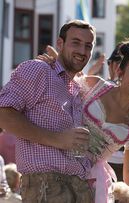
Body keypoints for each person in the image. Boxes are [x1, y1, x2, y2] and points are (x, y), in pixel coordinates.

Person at [41, 39, 129, 202]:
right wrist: (53, 65)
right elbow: (59, 92)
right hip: (56, 161)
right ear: (120, 72)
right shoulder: (94, 85)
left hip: (91, 183)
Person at [0, 19, 95, 202]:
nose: (82, 51)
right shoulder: (38, 69)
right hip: (46, 185)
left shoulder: (76, 87)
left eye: (88, 46)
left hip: (79, 187)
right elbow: (3, 114)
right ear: (60, 43)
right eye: (76, 43)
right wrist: (58, 139)